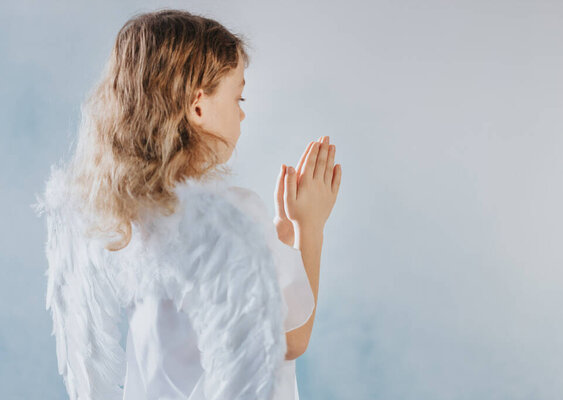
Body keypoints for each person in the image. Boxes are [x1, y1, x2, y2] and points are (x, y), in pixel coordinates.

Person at [33, 9, 342, 400]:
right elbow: (287, 339)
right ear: (198, 106)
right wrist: (309, 226)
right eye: (237, 96)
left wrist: (279, 230)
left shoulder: (130, 219)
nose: (242, 112)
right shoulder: (230, 217)